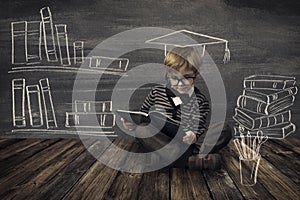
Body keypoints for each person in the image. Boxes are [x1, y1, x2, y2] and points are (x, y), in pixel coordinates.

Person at [121, 46, 232, 170]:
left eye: (186, 77)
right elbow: (143, 116)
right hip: (162, 141)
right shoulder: (156, 93)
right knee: (142, 130)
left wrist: (194, 135)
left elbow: (199, 127)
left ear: (197, 74)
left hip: (186, 142)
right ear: (167, 74)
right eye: (174, 78)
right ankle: (189, 161)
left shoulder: (200, 100)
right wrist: (131, 125)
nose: (180, 83)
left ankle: (176, 158)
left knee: (223, 129)